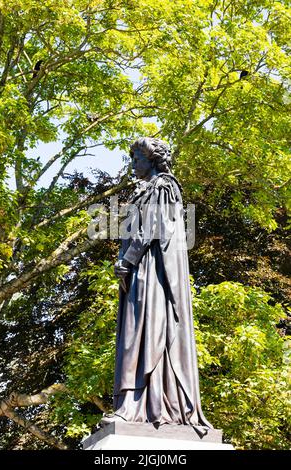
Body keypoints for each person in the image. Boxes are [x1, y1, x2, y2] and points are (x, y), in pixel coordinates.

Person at [102, 137, 213, 431]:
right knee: (134, 334)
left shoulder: (163, 186)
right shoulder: (145, 189)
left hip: (153, 273)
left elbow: (153, 226)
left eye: (137, 159)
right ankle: (133, 404)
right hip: (140, 270)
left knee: (142, 331)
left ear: (151, 161)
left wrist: (128, 260)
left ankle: (139, 406)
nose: (133, 165)